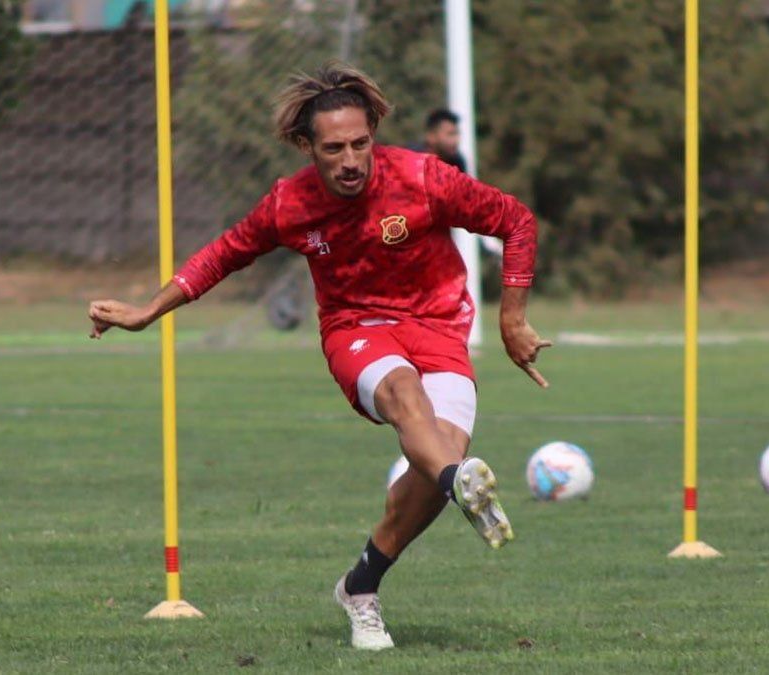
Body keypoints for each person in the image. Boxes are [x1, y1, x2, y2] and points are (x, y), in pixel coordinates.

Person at [88, 61, 551, 651]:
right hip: (357, 330)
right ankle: (458, 479)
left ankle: (361, 586)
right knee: (407, 398)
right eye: (334, 148)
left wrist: (512, 319)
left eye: (360, 143)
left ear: (374, 134)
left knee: (433, 474)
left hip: (439, 328)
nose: (351, 159)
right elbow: (222, 255)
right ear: (307, 147)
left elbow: (516, 221)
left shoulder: (423, 178)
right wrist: (146, 311)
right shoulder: (290, 204)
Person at [412, 108, 467, 173]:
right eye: (450, 134)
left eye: (457, 133)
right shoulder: (412, 159)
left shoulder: (457, 162)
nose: (456, 140)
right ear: (431, 136)